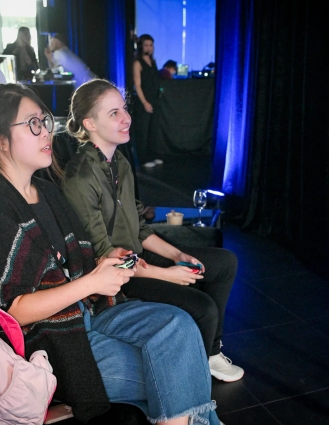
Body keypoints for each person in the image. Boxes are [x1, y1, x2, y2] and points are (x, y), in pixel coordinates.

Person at [0, 83, 223, 425]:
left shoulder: (45, 190)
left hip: (89, 314)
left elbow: (78, 263)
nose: (46, 130)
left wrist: (103, 265)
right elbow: (13, 311)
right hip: (51, 346)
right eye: (32, 124)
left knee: (179, 326)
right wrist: (93, 280)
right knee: (179, 368)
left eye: (45, 120)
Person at [61, 79, 245, 383]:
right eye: (114, 113)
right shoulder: (80, 177)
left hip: (137, 259)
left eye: (124, 109)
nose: (126, 118)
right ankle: (198, 365)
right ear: (89, 123)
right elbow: (105, 256)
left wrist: (177, 254)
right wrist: (166, 274)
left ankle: (209, 353)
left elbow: (140, 226)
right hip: (115, 279)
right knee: (203, 308)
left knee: (224, 263)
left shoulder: (118, 161)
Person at [132, 34, 163, 168]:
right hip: (143, 101)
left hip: (154, 100)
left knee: (153, 130)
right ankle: (143, 159)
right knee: (143, 131)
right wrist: (144, 102)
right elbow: (137, 85)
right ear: (141, 46)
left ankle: (152, 155)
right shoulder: (138, 63)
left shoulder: (153, 62)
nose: (149, 48)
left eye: (151, 45)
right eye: (146, 45)